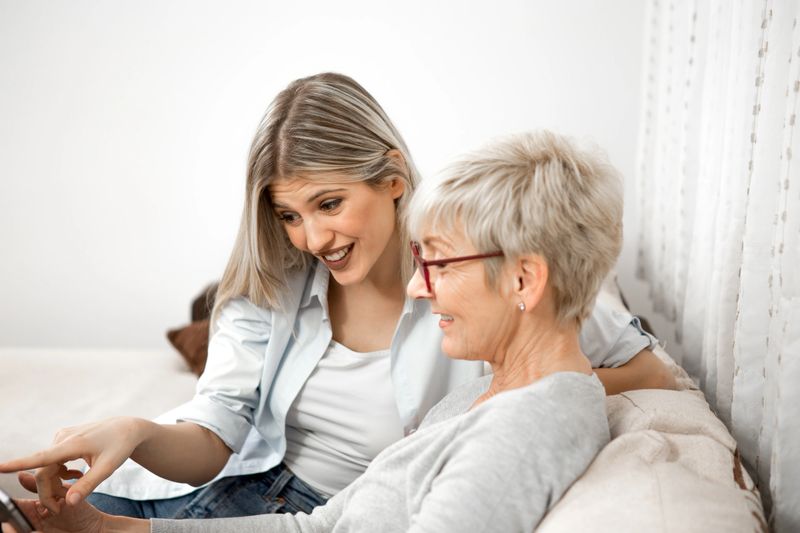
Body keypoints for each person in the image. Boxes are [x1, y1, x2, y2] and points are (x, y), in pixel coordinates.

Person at [0, 73, 674, 523]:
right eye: (290, 214)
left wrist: (503, 383)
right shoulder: (275, 276)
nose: (312, 236)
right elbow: (214, 432)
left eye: (329, 203)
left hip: (315, 512)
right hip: (214, 489)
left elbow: (643, 367)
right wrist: (140, 431)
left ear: (392, 177)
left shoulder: (480, 267)